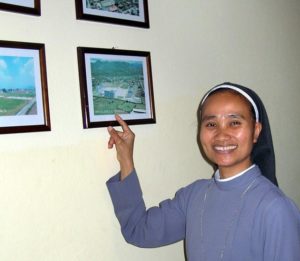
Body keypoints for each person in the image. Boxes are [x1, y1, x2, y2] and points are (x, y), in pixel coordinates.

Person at [106, 82, 300, 261]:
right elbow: (139, 230)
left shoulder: (275, 209)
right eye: (211, 124)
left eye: (234, 123)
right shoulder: (194, 196)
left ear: (256, 131)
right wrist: (126, 159)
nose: (221, 135)